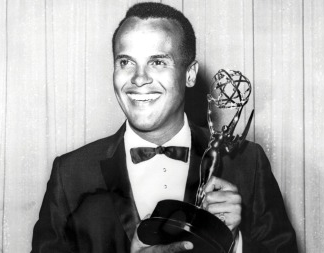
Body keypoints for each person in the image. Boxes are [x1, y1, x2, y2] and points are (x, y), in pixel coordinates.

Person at [32, 2, 297, 253]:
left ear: (190, 74)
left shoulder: (246, 163)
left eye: (157, 62)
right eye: (126, 62)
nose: (138, 78)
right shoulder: (71, 173)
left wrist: (233, 242)